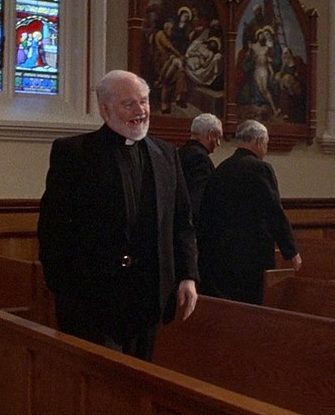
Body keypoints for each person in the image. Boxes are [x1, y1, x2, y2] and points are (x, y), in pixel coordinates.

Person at [37, 70, 199, 361]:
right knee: (99, 380)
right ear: (105, 109)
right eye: (129, 104)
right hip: (92, 299)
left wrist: (188, 276)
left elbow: (181, 223)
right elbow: (53, 227)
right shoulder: (74, 153)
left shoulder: (166, 154)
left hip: (149, 298)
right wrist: (64, 289)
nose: (140, 111)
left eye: (144, 101)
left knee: (138, 379)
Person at [197, 119, 302, 304]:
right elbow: (274, 212)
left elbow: (207, 212)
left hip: (219, 256)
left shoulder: (222, 168)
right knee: (251, 308)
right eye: (266, 144)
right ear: (259, 142)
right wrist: (291, 251)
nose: (266, 149)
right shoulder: (260, 169)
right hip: (251, 257)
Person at [177, 113, 222, 223]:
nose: (219, 143)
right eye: (218, 137)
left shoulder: (180, 152)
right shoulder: (200, 159)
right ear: (211, 134)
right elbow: (197, 198)